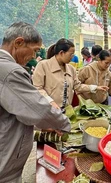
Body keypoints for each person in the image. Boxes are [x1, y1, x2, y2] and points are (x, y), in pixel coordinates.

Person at [0, 22, 71, 182]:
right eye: (35, 50)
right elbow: (39, 110)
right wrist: (64, 124)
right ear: (18, 43)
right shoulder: (10, 71)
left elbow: (15, 108)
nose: (34, 56)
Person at [32, 38, 106, 111]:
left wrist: (95, 88)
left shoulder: (71, 69)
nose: (72, 57)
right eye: (71, 54)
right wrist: (50, 101)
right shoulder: (43, 65)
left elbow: (78, 86)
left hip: (66, 111)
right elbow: (37, 88)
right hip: (48, 110)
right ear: (61, 53)